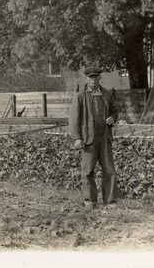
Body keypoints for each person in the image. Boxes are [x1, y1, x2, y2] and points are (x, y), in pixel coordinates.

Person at [68, 66, 119, 208]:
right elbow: (73, 119)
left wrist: (112, 118)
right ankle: (90, 201)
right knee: (87, 170)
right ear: (86, 78)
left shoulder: (107, 94)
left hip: (105, 139)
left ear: (100, 78)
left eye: (96, 77)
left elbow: (115, 111)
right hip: (88, 139)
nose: (93, 80)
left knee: (109, 170)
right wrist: (77, 138)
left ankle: (110, 201)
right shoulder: (80, 96)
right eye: (91, 77)